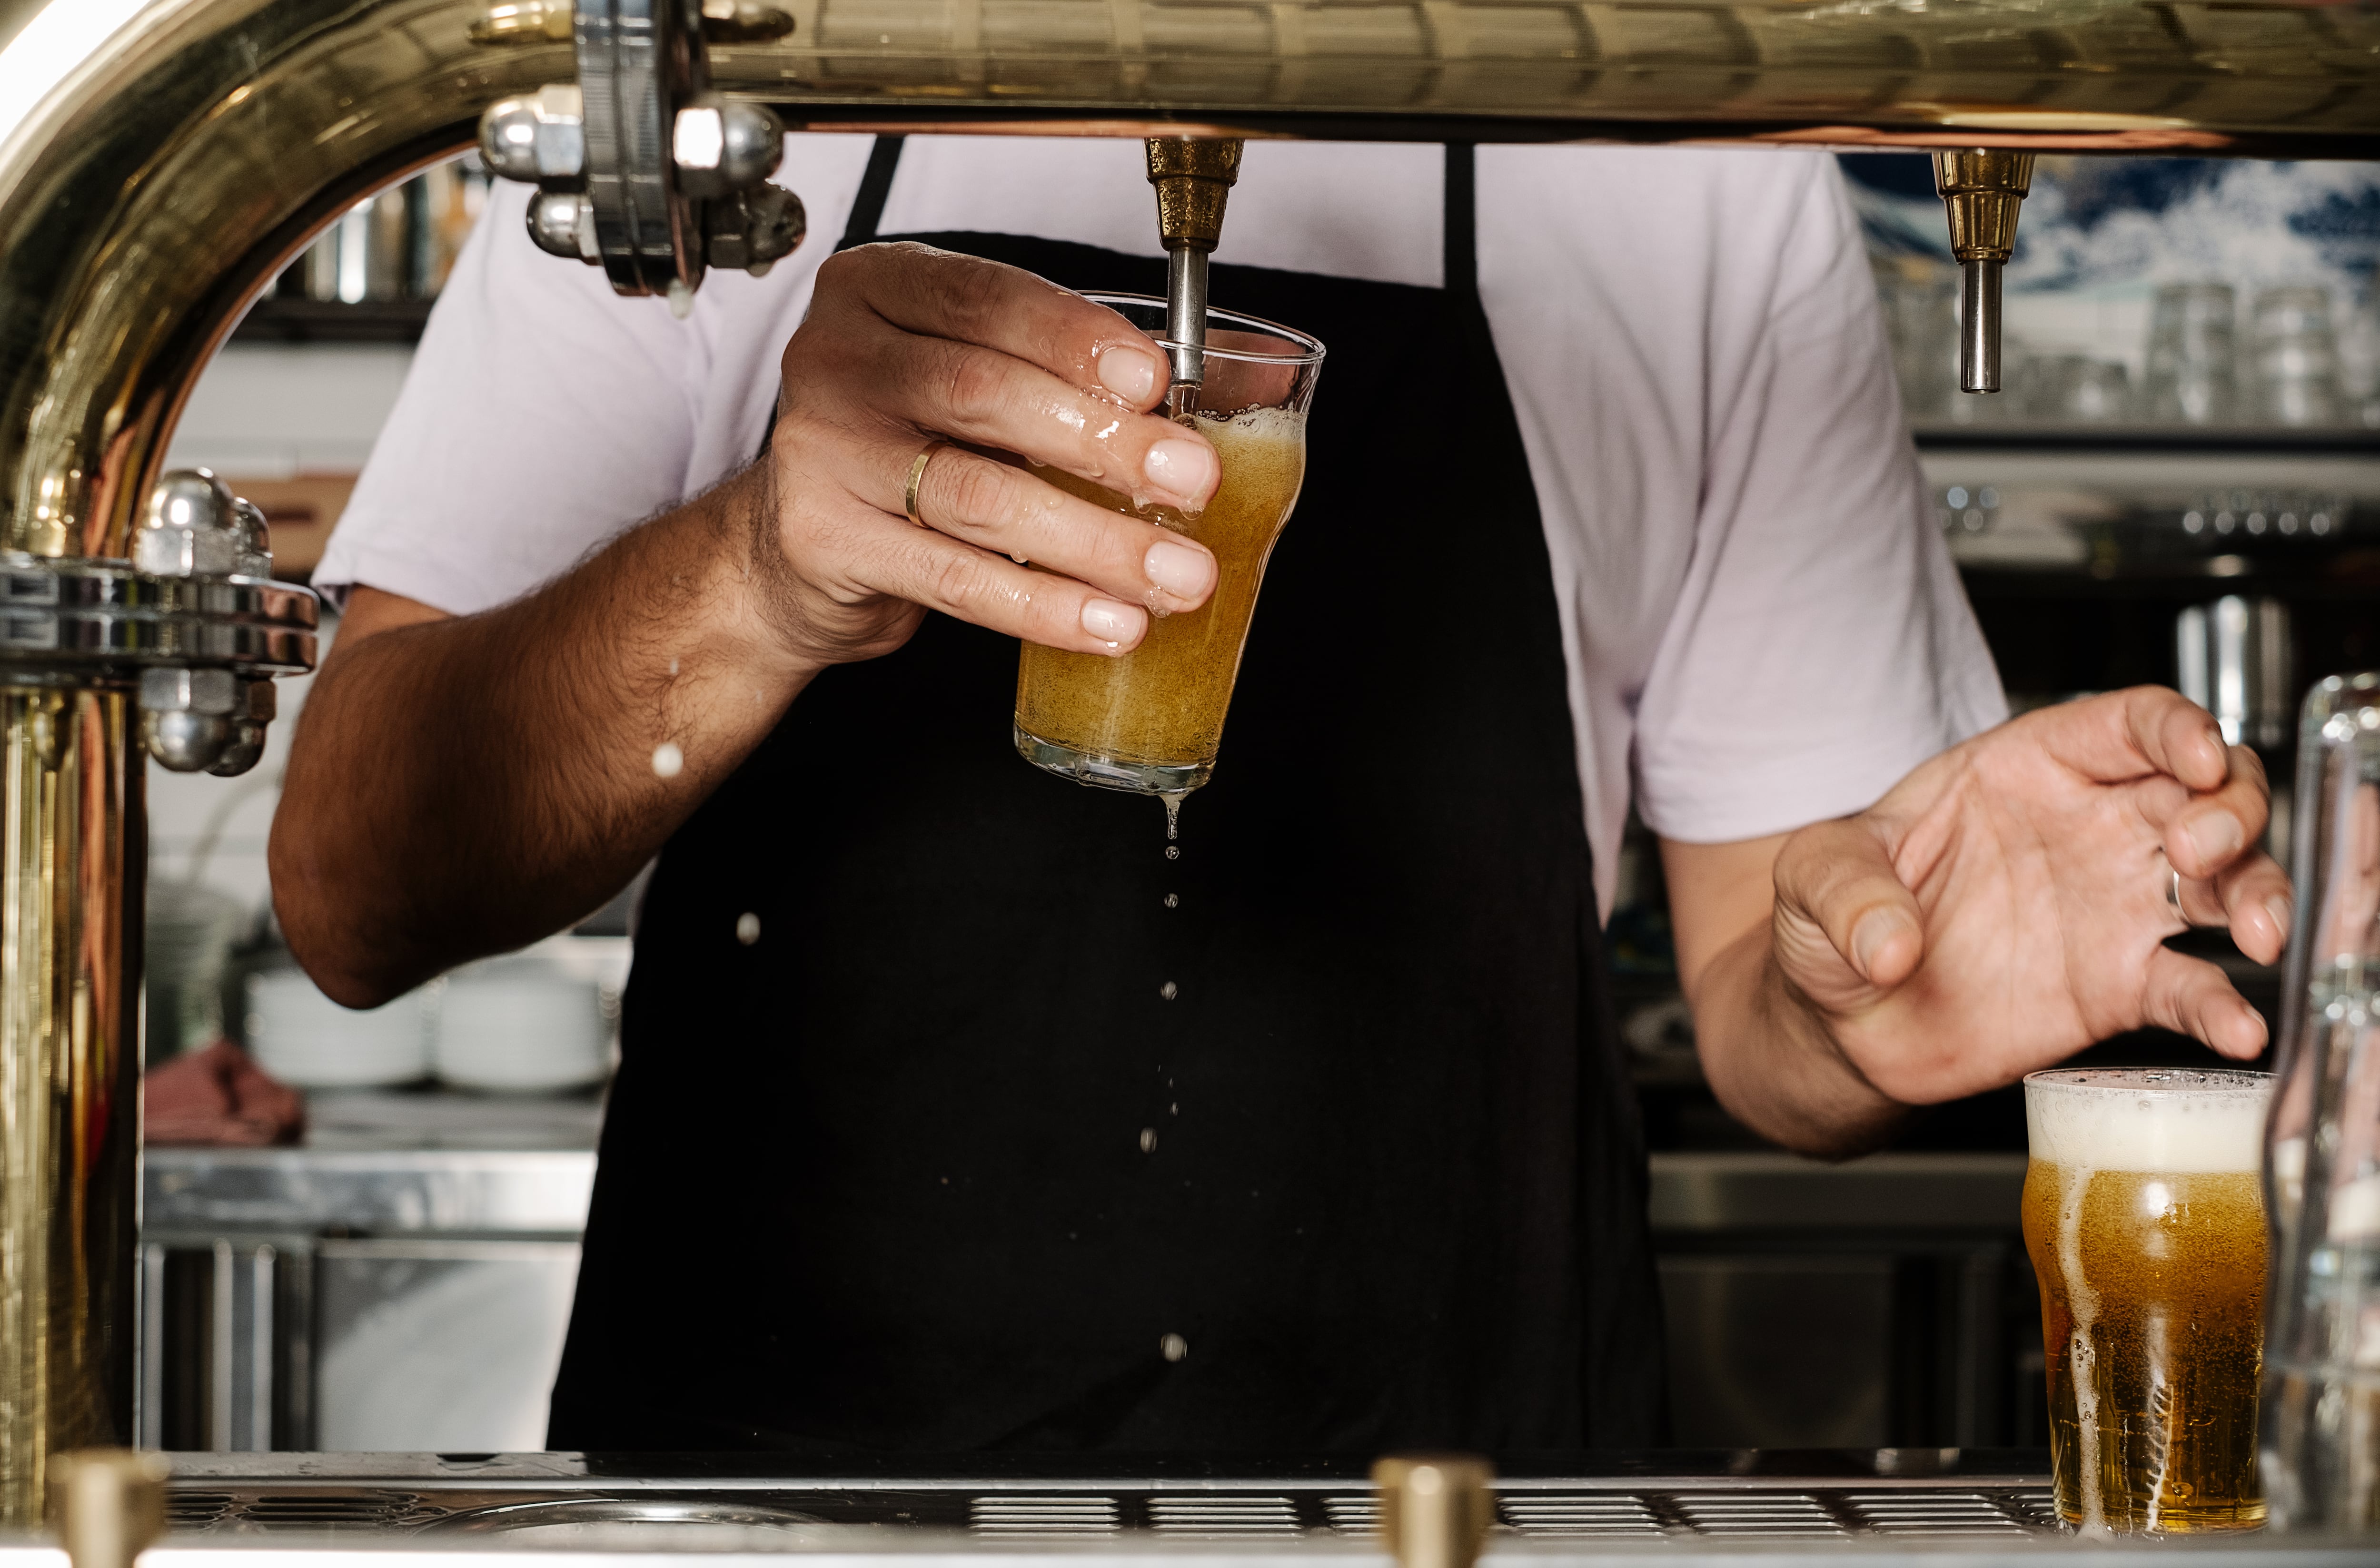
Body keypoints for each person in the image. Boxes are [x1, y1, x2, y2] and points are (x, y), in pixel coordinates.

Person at [270, 135, 2287, 1454]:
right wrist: (758, 572)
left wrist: (1869, 995)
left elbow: (1775, 992)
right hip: (781, 1483)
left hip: (1453, 1486)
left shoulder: (1690, 159)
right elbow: (358, 880)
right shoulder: (718, 109)